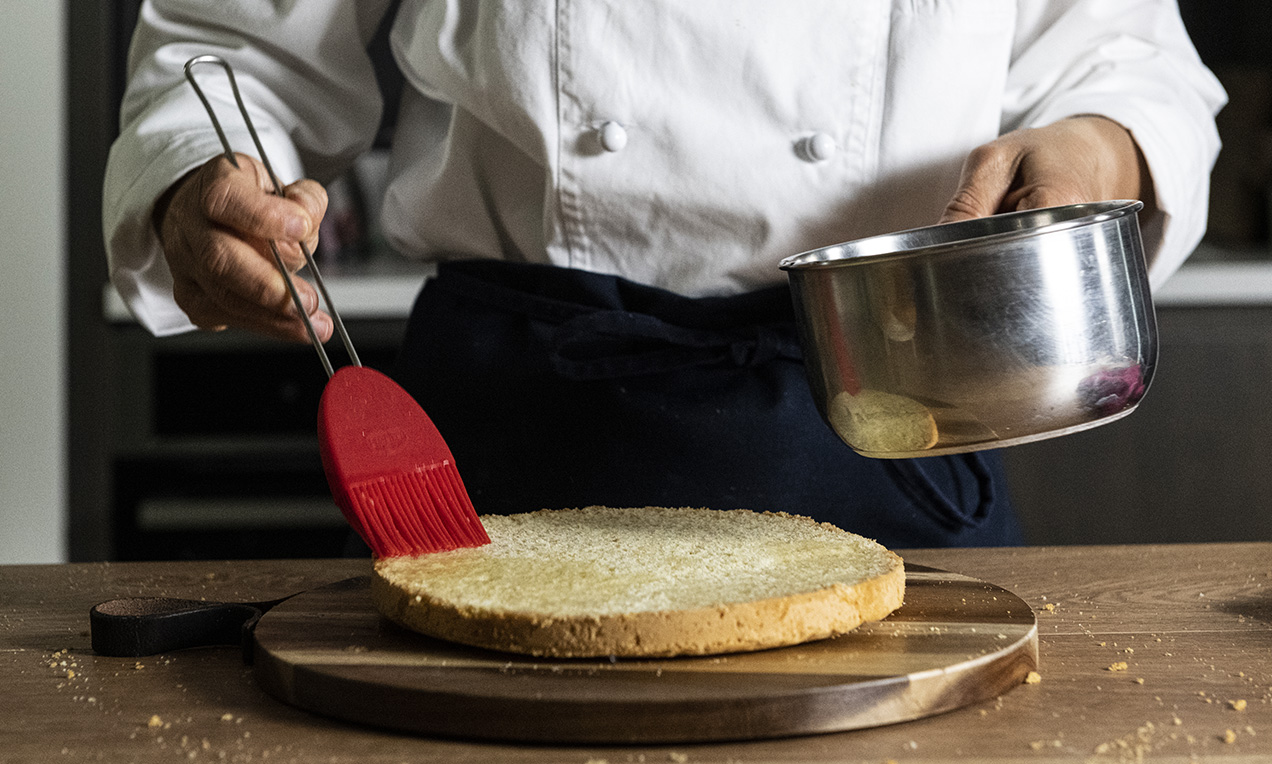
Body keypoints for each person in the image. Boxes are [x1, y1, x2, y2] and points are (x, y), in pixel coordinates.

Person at [103, 0, 1225, 550]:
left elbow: (1125, 54)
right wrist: (207, 177)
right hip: (512, 445)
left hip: (887, 419)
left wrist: (1102, 144)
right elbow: (233, 42)